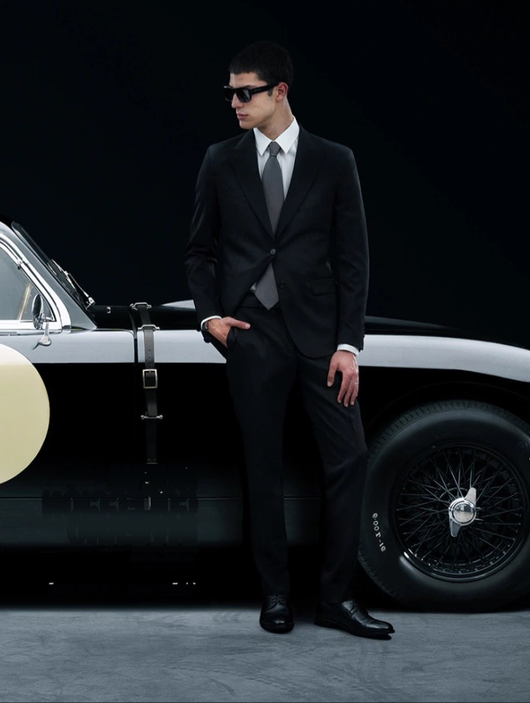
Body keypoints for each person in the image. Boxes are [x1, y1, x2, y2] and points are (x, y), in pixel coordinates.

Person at [183, 41, 394, 639]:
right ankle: (275, 596)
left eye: (245, 92)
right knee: (263, 466)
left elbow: (354, 261)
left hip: (321, 337)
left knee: (348, 458)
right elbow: (198, 252)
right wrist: (211, 318)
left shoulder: (334, 161)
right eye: (229, 93)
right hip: (251, 333)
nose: (234, 103)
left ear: (280, 92)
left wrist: (349, 344)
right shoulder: (220, 161)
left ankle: (335, 598)